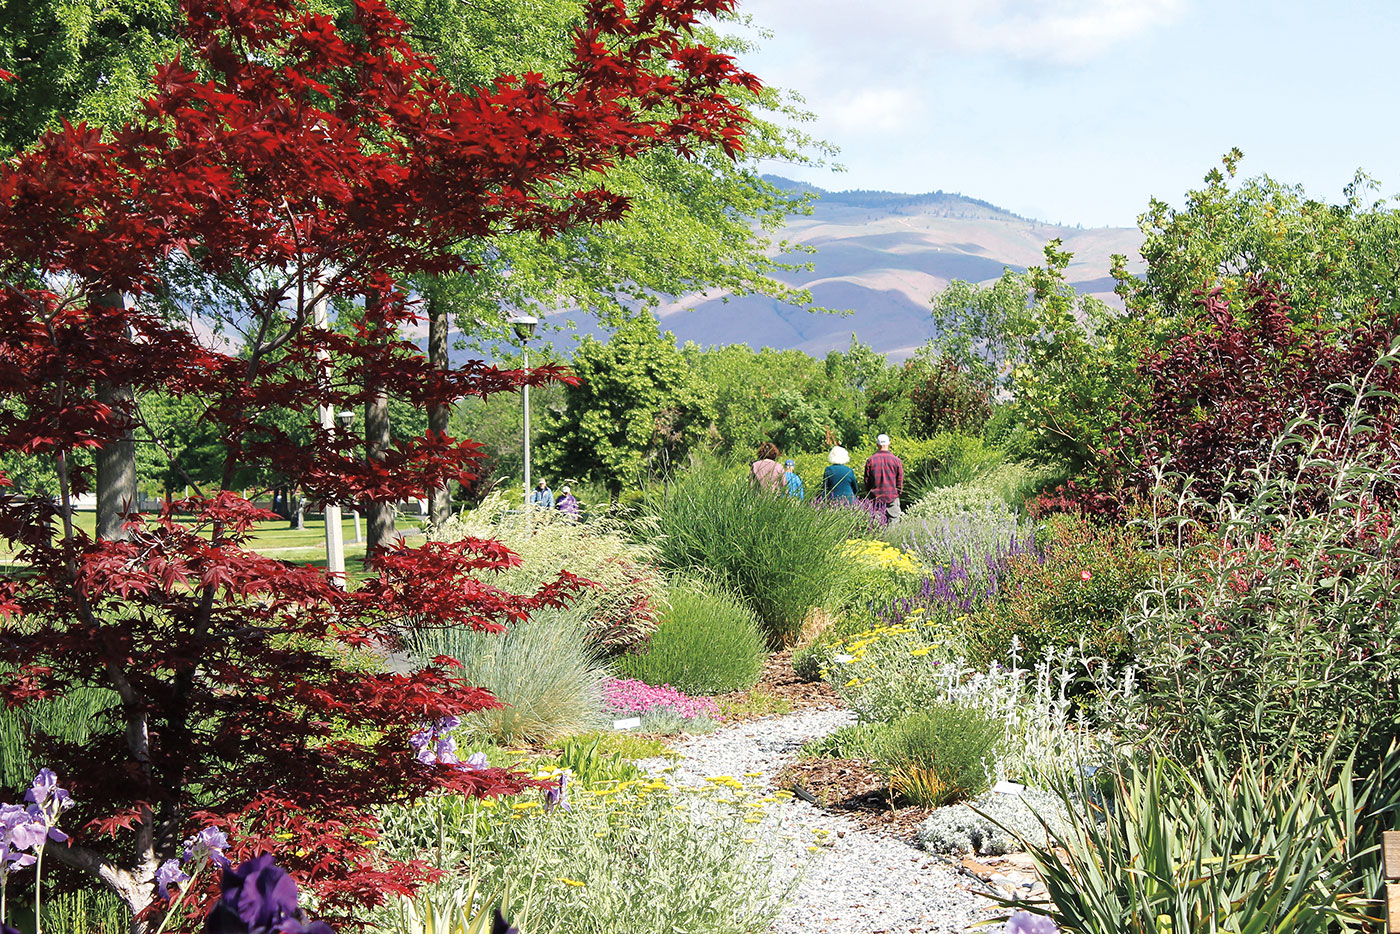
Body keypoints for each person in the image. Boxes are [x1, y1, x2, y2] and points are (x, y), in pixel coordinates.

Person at [862, 433, 904, 523]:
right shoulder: (896, 460)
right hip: (892, 495)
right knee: (894, 523)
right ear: (889, 444)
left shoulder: (871, 460)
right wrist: (898, 492)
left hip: (876, 497)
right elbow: (900, 480)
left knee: (877, 525)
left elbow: (867, 481)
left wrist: (869, 493)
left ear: (877, 445)